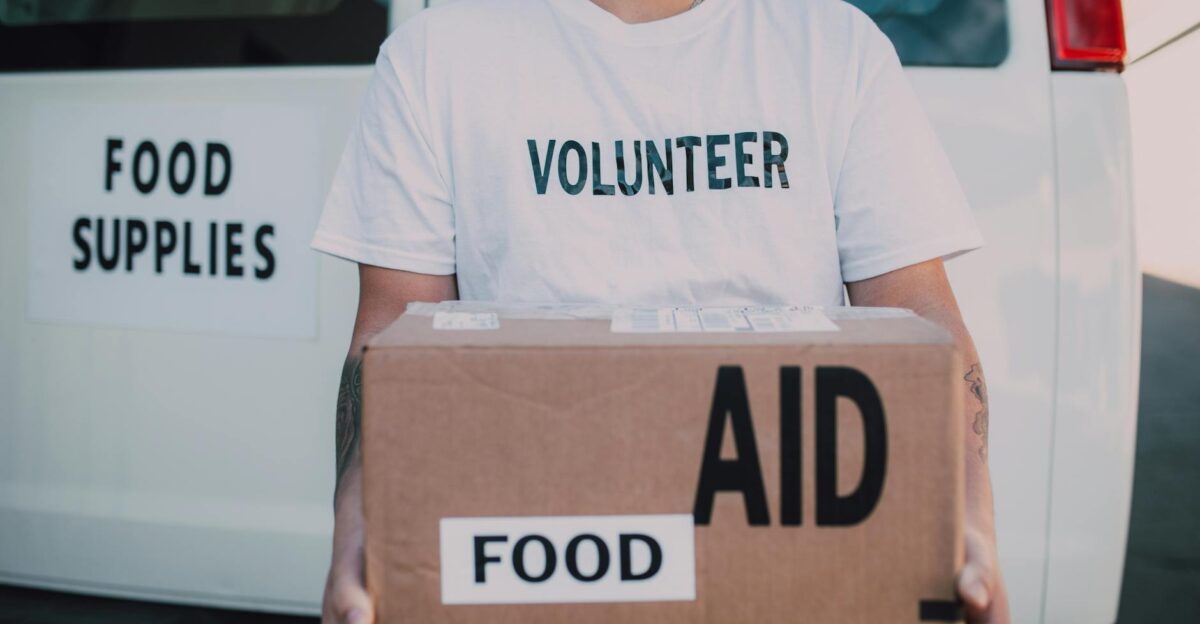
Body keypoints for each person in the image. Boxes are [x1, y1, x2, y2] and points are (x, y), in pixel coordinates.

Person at [311, 0, 1010, 622]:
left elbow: (920, 317)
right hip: (541, 563)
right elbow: (393, 337)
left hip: (791, 562)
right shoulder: (436, 58)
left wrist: (967, 519)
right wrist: (359, 521)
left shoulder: (833, 45)